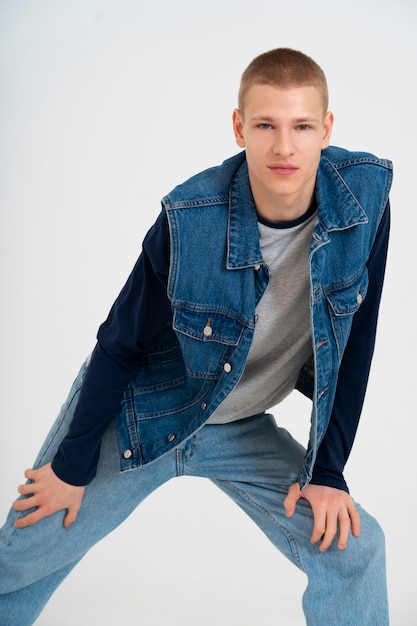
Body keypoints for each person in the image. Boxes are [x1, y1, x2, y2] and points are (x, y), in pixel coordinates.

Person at [0, 48, 392, 625]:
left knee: (356, 547)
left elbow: (356, 345)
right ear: (239, 127)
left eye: (302, 126)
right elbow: (119, 343)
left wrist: (327, 473)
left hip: (239, 428)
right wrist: (71, 464)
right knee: (19, 558)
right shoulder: (191, 219)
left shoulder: (364, 204)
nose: (284, 146)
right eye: (265, 125)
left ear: (326, 129)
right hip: (145, 414)